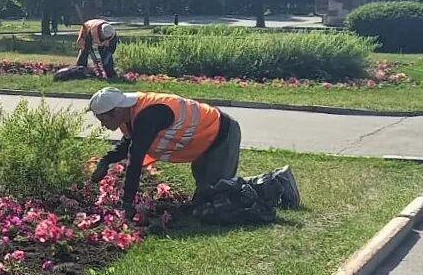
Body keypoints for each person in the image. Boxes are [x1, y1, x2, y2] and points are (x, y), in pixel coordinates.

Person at [86, 87, 295, 221]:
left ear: (115, 111)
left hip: (221, 136)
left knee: (216, 197)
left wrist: (127, 203)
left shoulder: (148, 114)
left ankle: (278, 183)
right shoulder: (131, 115)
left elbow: (136, 156)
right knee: (205, 199)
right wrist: (105, 161)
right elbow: (128, 144)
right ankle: (273, 183)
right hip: (205, 141)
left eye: (103, 119)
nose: (103, 125)